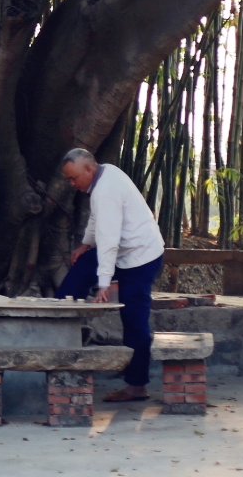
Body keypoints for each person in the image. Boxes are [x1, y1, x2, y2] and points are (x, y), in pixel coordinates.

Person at [54, 148, 165, 403]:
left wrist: (104, 284)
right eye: (68, 179)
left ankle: (137, 385)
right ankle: (62, 325)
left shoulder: (106, 190)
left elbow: (109, 243)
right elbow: (97, 219)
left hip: (141, 257)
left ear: (89, 170)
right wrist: (85, 244)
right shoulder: (104, 176)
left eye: (73, 178)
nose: (72, 184)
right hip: (121, 251)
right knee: (77, 277)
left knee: (134, 318)